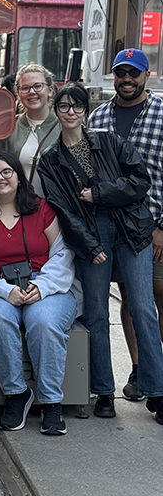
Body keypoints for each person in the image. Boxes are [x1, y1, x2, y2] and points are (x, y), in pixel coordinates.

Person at [38, 83, 163, 422]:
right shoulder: (51, 160)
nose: (70, 112)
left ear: (85, 109)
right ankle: (103, 391)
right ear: (56, 109)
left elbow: (140, 180)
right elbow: (61, 208)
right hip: (90, 236)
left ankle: (158, 391)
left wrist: (100, 193)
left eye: (76, 106)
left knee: (142, 307)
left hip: (129, 230)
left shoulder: (108, 141)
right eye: (63, 106)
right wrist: (89, 246)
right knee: (95, 312)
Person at [0, 151, 77, 435]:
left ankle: (51, 402)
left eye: (6, 172)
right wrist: (5, 291)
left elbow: (63, 253)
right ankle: (16, 394)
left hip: (46, 284)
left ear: (19, 176)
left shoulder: (42, 209)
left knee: (44, 322)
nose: (0, 178)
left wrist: (42, 286)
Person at [88, 48, 163, 402]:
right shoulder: (99, 116)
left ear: (146, 76)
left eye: (133, 73)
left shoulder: (162, 113)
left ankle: (156, 384)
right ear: (113, 77)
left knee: (147, 304)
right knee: (109, 305)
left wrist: (161, 225)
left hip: (146, 227)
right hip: (103, 225)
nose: (127, 79)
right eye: (121, 73)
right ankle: (120, 381)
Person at [7, 63, 59, 197]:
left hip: (59, 210)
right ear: (18, 93)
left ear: (50, 90)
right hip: (21, 208)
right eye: (25, 88)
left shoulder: (66, 126)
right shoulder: (9, 127)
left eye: (37, 86)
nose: (32, 92)